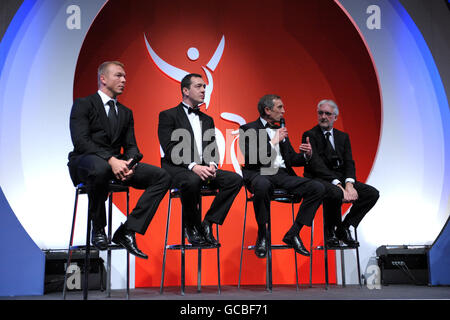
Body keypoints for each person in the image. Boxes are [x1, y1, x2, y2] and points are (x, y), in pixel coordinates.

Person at [68, 61, 171, 259]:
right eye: (118, 75)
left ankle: (127, 230)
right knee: (100, 169)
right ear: (103, 78)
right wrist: (111, 160)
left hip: (117, 164)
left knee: (162, 177)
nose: (124, 80)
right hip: (86, 160)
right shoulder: (84, 104)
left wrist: (129, 163)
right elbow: (81, 141)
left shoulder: (126, 112)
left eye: (124, 76)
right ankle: (98, 228)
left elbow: (131, 145)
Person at [158, 73, 243, 246]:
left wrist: (212, 165)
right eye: (199, 86)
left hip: (203, 168)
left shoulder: (208, 119)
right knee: (192, 180)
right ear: (185, 90)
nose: (204, 90)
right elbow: (169, 148)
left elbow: (212, 147)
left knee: (234, 180)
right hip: (178, 169)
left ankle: (208, 223)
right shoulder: (168, 115)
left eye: (204, 86)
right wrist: (193, 166)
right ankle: (191, 226)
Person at [239, 94, 325, 257]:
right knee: (262, 185)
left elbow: (291, 158)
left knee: (317, 187)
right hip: (260, 172)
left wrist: (306, 155)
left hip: (282, 174)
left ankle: (293, 233)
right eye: (280, 107)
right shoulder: (247, 129)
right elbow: (250, 158)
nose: (284, 111)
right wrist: (273, 141)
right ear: (267, 110)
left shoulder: (280, 131)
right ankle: (263, 234)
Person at [302, 99, 379, 247]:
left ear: (335, 117)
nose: (323, 116)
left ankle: (344, 227)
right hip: (319, 178)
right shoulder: (310, 135)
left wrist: (349, 184)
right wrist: (338, 184)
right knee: (335, 192)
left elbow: (349, 162)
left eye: (328, 114)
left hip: (341, 178)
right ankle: (329, 232)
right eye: (320, 113)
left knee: (372, 193)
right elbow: (316, 165)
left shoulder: (343, 137)